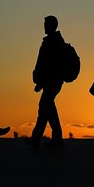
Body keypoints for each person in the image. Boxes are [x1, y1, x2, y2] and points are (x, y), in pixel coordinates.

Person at [25, 15, 67, 149]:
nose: (44, 26)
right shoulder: (52, 41)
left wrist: (41, 83)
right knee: (46, 108)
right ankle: (39, 138)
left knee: (46, 107)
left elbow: (49, 66)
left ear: (51, 25)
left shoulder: (53, 42)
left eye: (46, 24)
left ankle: (52, 139)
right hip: (51, 81)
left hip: (52, 81)